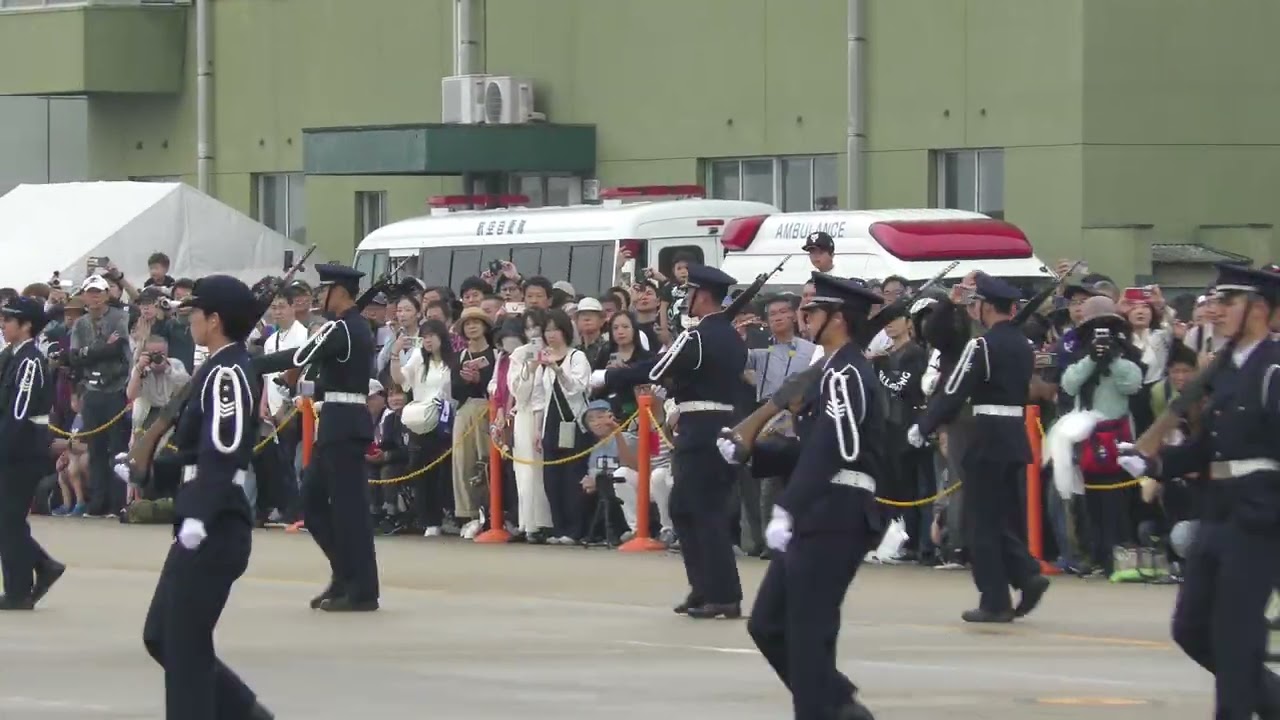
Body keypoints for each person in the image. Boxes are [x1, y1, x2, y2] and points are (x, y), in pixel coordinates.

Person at [1118, 263, 1280, 719]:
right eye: (1217, 301)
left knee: (1236, 635)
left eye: (1229, 302)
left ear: (1259, 309)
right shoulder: (1223, 369)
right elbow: (1207, 446)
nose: (1218, 310)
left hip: (1258, 516)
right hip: (1217, 513)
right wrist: (1156, 462)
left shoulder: (1273, 369)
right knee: (1190, 628)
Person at [725, 273, 886, 720]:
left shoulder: (847, 373)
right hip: (818, 508)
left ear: (838, 319)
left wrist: (788, 506)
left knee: (808, 631)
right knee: (768, 625)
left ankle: (823, 709)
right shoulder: (830, 371)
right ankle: (837, 704)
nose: (803, 317)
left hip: (836, 512)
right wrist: (756, 450)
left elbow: (841, 448)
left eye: (812, 312)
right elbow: (814, 445)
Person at [137, 275, 273, 719]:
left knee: (184, 644)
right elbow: (194, 451)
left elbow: (225, 449)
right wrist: (152, 470)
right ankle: (246, 712)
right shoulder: (217, 367)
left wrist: (198, 513)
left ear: (214, 320)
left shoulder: (229, 372)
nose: (190, 319)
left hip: (216, 520)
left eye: (196, 312)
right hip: (202, 514)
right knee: (162, 634)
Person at [592, 263, 746, 619]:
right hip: (716, 425)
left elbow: (658, 368)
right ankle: (705, 587)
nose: (686, 300)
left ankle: (722, 594)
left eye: (690, 293)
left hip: (701, 429)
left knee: (702, 513)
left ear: (703, 296)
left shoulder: (699, 336)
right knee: (684, 508)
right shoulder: (728, 337)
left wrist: (607, 377)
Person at [908, 273, 1049, 623]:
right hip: (1015, 434)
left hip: (986, 436)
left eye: (976, 304)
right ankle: (1026, 575)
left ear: (986, 307)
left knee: (979, 523)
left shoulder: (982, 346)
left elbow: (954, 390)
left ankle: (995, 599)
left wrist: (924, 425)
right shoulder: (1021, 344)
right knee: (996, 518)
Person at [255, 263, 380, 612]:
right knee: (312, 503)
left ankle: (361, 589)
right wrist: (293, 383)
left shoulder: (342, 329)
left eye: (321, 291)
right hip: (338, 420)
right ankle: (345, 575)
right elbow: (330, 382)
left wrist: (250, 364)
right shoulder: (347, 330)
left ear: (337, 292)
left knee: (348, 511)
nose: (317, 299)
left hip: (344, 425)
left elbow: (297, 356)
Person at [0, 297, 65, 610]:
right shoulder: (12, 355)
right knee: (7, 520)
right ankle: (42, 566)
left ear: (26, 325)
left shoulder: (29, 360)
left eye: (8, 319)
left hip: (20, 452)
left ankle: (18, 591)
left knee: (8, 520)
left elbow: (18, 414)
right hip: (13, 449)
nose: (3, 323)